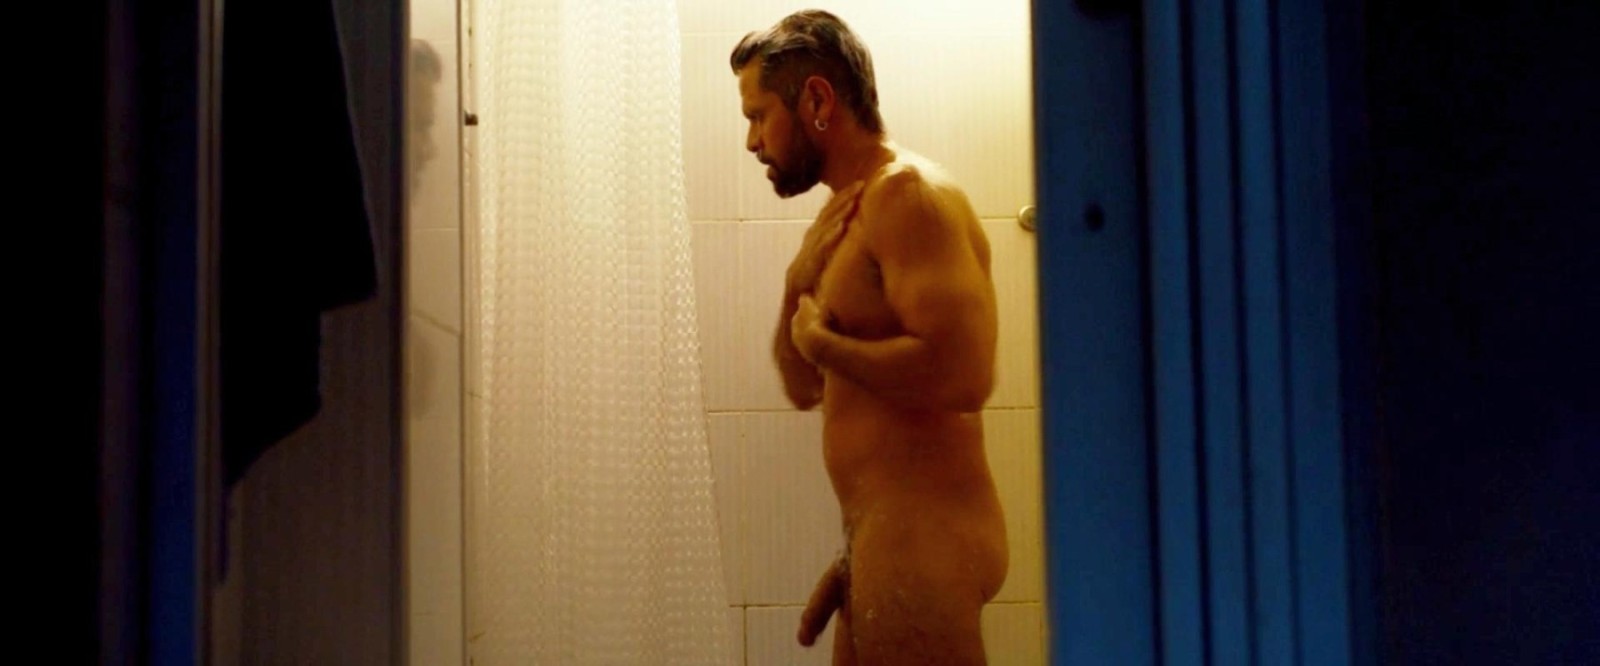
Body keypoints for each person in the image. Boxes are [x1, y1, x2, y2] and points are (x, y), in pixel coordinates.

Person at [730, 10, 1007, 664]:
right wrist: (796, 285)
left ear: (817, 101)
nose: (751, 141)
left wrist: (826, 345)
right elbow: (803, 387)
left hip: (924, 536)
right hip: (884, 535)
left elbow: (964, 375)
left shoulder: (908, 195)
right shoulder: (846, 213)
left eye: (758, 115)